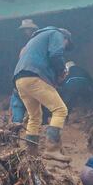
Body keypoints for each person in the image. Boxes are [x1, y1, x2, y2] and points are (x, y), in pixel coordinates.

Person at [13, 26, 72, 157]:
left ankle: (31, 152)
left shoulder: (35, 40)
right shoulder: (57, 34)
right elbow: (56, 54)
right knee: (60, 110)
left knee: (34, 116)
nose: (64, 47)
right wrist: (62, 71)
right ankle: (52, 149)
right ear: (66, 39)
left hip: (20, 79)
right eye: (66, 45)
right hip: (34, 76)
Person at [8, 19, 39, 122]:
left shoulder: (31, 44)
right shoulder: (28, 43)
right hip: (29, 78)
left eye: (28, 29)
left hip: (26, 77)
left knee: (18, 100)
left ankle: (17, 123)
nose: (26, 32)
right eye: (25, 30)